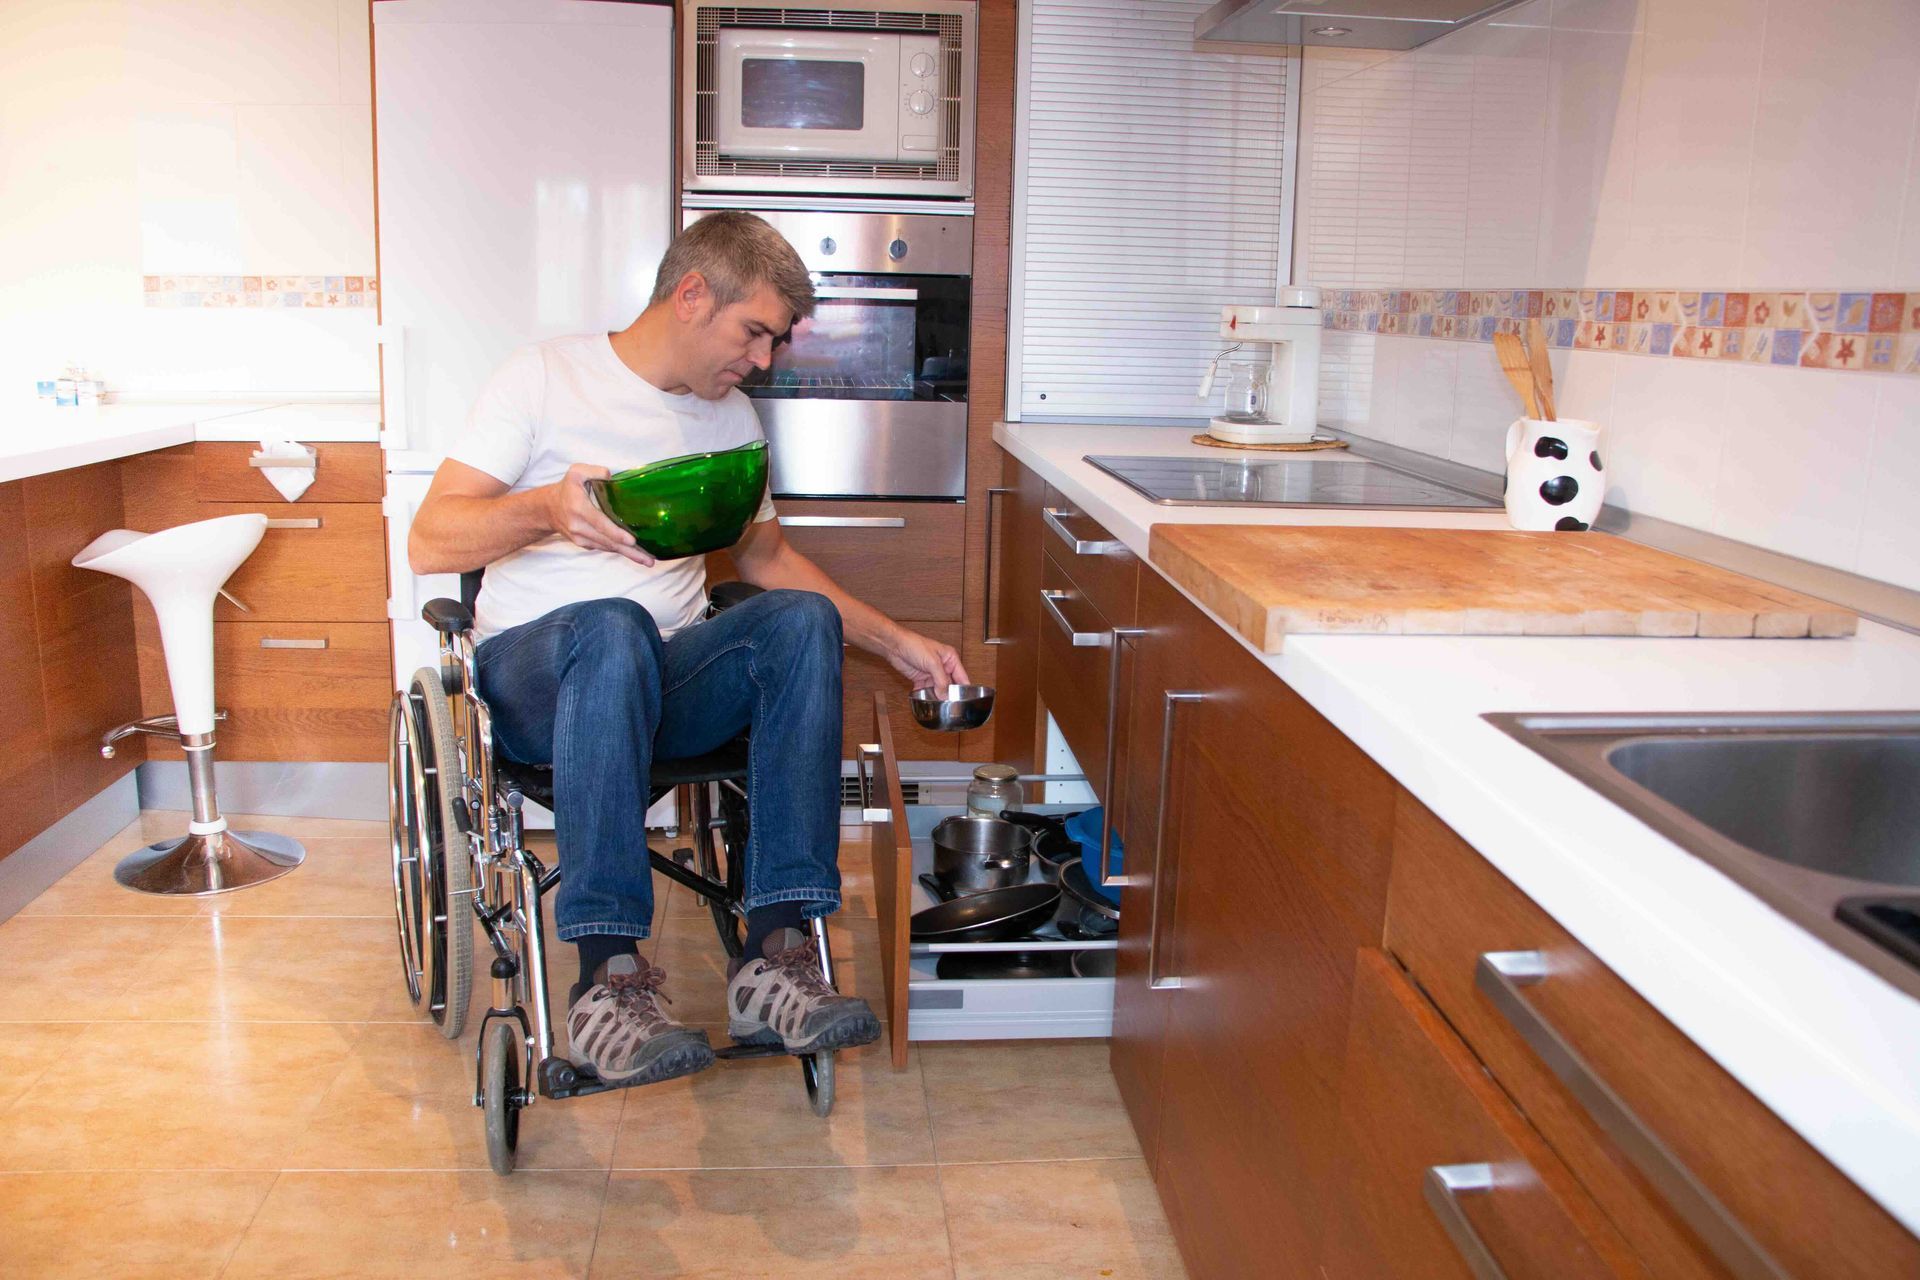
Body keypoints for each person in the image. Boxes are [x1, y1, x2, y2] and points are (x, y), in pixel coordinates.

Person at [408, 211, 969, 1086]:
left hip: (661, 681)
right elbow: (430, 540)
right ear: (693, 293)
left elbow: (768, 560)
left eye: (775, 341)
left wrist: (897, 643)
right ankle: (607, 980)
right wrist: (546, 509)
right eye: (755, 333)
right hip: (536, 678)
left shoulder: (733, 418)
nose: (764, 360)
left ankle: (774, 957)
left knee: (797, 623)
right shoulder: (543, 376)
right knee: (611, 624)